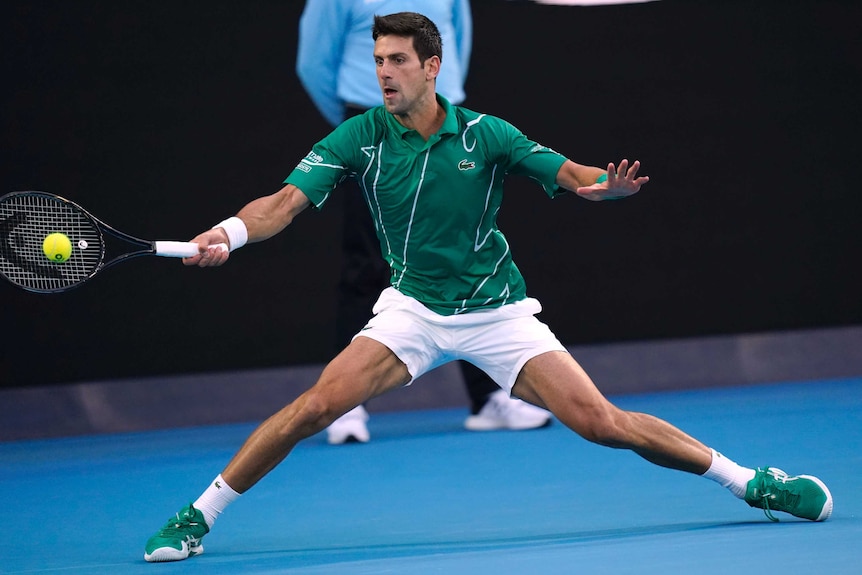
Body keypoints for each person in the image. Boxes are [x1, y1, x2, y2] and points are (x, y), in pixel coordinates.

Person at [143, 12, 833, 563]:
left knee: (603, 423)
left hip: (497, 311)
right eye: (377, 59)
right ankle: (197, 514)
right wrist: (229, 233)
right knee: (313, 406)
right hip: (412, 309)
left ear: (431, 67)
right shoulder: (359, 135)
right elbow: (285, 202)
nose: (382, 72)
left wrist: (604, 186)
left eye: (396, 61)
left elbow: (570, 173)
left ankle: (753, 482)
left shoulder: (487, 133)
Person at [296, 0, 550, 445]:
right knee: (367, 264)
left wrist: (436, 101)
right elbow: (312, 62)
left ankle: (489, 399)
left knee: (459, 259)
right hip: (375, 125)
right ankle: (346, 404)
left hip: (440, 121)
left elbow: (459, 46)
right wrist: (354, 128)